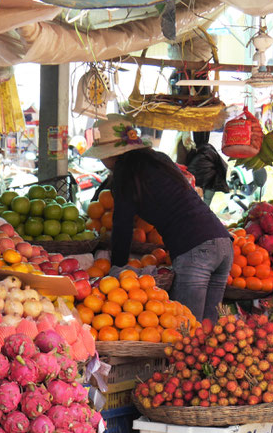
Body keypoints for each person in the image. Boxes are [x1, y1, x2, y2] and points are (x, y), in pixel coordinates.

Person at [85, 114, 232, 321]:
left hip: (194, 249)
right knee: (208, 331)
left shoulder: (125, 174)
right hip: (223, 242)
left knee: (185, 328)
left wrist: (117, 268)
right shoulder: (159, 159)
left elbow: (122, 225)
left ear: (111, 154)